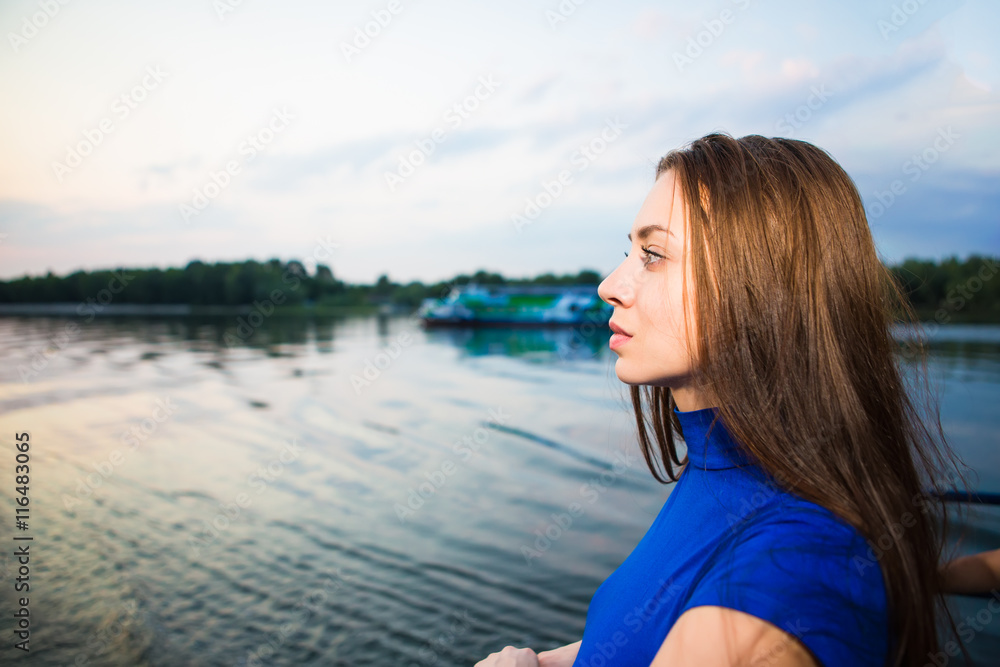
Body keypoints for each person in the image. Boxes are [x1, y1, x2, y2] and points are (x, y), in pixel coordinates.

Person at [474, 133, 974, 667]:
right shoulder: (729, 477)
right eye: (629, 252)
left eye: (654, 254)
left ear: (762, 287)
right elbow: (645, 630)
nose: (609, 285)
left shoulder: (790, 566)